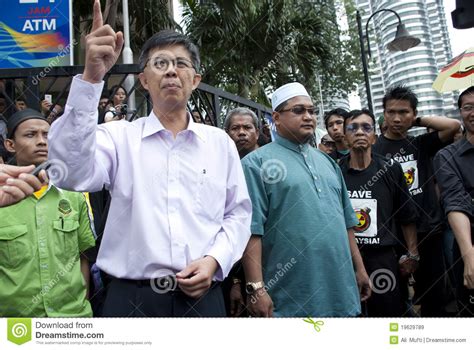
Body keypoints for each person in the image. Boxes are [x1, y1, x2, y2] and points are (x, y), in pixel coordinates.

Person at [47, 0, 251, 317]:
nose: (171, 70)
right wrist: (91, 77)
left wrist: (215, 260)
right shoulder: (118, 137)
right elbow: (69, 173)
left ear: (195, 80)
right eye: (160, 63)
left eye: (181, 64)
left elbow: (237, 215)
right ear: (144, 80)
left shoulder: (219, 143)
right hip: (131, 300)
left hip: (203, 298)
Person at [241, 82, 371, 317]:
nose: (309, 117)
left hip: (342, 289)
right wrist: (256, 288)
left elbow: (347, 223)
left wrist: (359, 269)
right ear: (277, 118)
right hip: (290, 295)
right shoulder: (255, 163)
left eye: (312, 111)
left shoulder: (328, 162)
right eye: (299, 111)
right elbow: (252, 231)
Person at [373, 85, 460, 316]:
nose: (397, 118)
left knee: (435, 295)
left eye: (404, 112)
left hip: (428, 230)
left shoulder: (421, 143)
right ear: (384, 114)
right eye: (391, 112)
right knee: (396, 296)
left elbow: (453, 126)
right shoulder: (375, 150)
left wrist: (417, 121)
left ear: (413, 114)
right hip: (394, 234)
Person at [0, 109, 95, 317]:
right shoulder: (3, 198)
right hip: (15, 324)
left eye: (47, 135)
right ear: (10, 145)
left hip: (72, 319)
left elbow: (83, 257)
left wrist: (81, 306)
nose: (42, 141)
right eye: (30, 135)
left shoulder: (74, 193)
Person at [339, 109, 419, 316]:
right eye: (353, 128)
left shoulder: (390, 169)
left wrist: (412, 254)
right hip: (346, 258)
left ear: (374, 136)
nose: (359, 132)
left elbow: (406, 215)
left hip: (383, 258)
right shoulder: (335, 171)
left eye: (366, 127)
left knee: (388, 315)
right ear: (345, 136)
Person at [434, 86, 474, 316]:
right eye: (468, 107)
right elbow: (456, 201)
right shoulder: (447, 156)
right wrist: (469, 256)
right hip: (467, 243)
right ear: (460, 112)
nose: (473, 112)